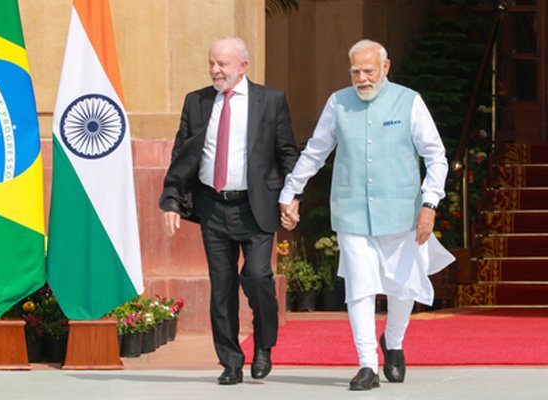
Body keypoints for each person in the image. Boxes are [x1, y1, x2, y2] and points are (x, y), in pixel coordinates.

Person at [279, 39, 455, 391]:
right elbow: (316, 151)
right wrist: (291, 191)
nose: (362, 78)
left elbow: (435, 155)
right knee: (359, 286)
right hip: (352, 211)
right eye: (355, 71)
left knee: (403, 285)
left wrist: (430, 203)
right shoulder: (338, 102)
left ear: (385, 67)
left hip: (402, 210)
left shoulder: (409, 101)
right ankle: (367, 364)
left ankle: (393, 340)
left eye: (369, 71)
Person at [159, 37, 298, 385]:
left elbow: (287, 153)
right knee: (221, 287)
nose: (215, 70)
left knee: (258, 276)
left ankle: (263, 343)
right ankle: (230, 361)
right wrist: (172, 199)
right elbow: (181, 153)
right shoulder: (197, 101)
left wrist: (292, 197)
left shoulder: (271, 101)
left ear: (243, 66)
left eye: (222, 64)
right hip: (213, 206)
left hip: (256, 207)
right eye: (212, 63)